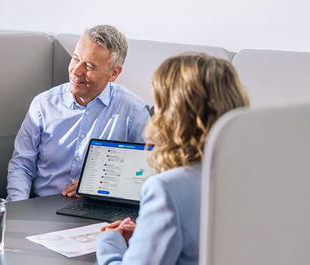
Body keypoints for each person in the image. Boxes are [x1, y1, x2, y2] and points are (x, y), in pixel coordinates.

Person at [95, 54, 249, 265]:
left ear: (175, 114)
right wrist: (149, 235)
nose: (154, 111)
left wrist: (109, 244)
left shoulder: (166, 189)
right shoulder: (255, 177)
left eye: (159, 102)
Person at [6, 25, 150, 202]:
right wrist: (18, 210)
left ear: (114, 73)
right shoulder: (43, 105)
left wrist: (97, 185)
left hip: (101, 208)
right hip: (41, 205)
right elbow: (22, 166)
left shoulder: (134, 112)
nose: (76, 70)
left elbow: (149, 173)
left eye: (89, 66)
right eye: (75, 59)